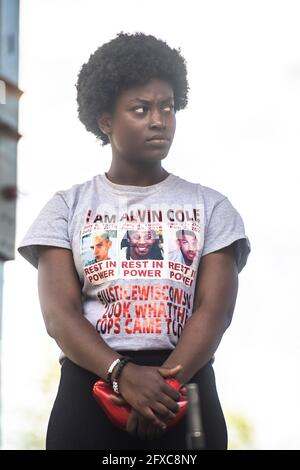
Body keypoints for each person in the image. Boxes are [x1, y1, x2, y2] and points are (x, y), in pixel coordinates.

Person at [18, 32, 251, 450]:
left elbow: (214, 311)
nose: (158, 120)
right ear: (106, 121)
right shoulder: (66, 208)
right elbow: (60, 315)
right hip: (91, 387)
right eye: (141, 109)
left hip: (184, 387)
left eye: (167, 107)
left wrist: (164, 389)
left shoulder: (212, 208)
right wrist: (121, 375)